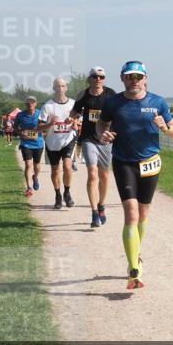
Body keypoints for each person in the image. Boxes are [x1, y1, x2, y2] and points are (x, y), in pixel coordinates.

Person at [98, 61, 173, 289]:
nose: (134, 80)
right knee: (131, 213)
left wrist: (164, 127)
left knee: (143, 213)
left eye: (138, 76)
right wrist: (103, 134)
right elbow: (101, 125)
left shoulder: (157, 102)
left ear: (145, 79)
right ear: (122, 79)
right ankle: (134, 268)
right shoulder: (113, 102)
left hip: (150, 162)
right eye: (129, 76)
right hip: (124, 162)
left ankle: (136, 253)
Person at [71, 66, 117, 228]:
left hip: (105, 139)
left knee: (104, 176)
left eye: (101, 77)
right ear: (89, 78)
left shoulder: (111, 94)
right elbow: (73, 113)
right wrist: (75, 117)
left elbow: (119, 112)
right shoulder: (83, 94)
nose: (98, 79)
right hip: (89, 139)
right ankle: (94, 213)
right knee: (92, 173)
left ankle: (101, 205)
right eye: (95, 76)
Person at [39, 78, 79, 210]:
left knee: (67, 166)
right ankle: (57, 195)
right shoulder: (48, 106)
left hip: (68, 139)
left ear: (66, 88)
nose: (60, 88)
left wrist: (74, 123)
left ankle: (67, 193)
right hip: (52, 142)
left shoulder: (74, 104)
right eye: (58, 86)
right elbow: (39, 127)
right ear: (54, 88)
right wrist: (51, 123)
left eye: (63, 86)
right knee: (55, 170)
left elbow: (79, 123)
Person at [14, 96, 44, 197]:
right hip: (25, 143)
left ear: (36, 104)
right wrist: (20, 133)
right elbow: (15, 127)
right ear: (25, 104)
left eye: (32, 102)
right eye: (28, 103)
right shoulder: (20, 115)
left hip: (38, 143)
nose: (30, 104)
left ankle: (35, 177)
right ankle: (28, 188)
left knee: (37, 165)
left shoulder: (40, 113)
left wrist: (42, 131)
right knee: (28, 165)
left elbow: (45, 126)